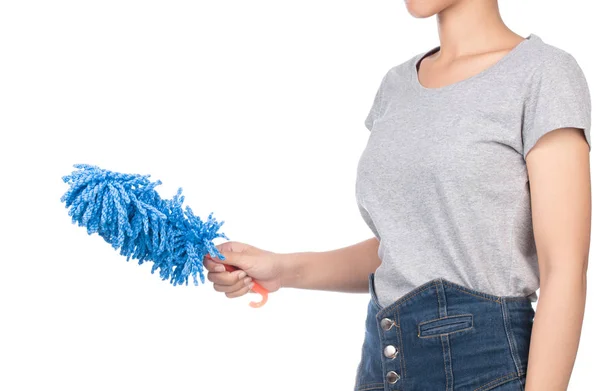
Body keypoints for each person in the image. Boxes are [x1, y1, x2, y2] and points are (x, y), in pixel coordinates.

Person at [203, 0, 592, 389]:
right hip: (379, 368)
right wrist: (281, 269)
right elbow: (407, 250)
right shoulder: (397, 85)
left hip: (485, 372)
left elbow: (564, 271)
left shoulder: (542, 73)